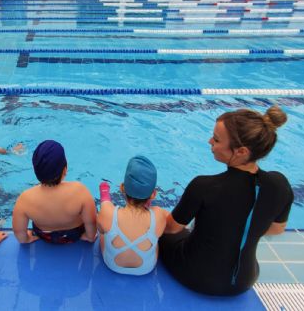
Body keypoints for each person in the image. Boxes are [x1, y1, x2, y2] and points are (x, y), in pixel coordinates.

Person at [160, 106, 293, 296]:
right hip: (244, 281)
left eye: (216, 139)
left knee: (162, 229)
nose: (209, 141)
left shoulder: (204, 186)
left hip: (194, 276)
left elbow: (171, 228)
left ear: (241, 151)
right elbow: (277, 229)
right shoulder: (280, 184)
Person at [12, 140, 97, 244]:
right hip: (74, 234)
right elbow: (91, 222)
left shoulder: (25, 198)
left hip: (44, 236)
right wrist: (90, 236)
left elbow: (19, 231)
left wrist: (26, 239)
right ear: (65, 169)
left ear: (35, 171)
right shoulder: (80, 191)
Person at [98, 156, 166, 276]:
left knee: (104, 227)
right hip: (146, 268)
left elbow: (100, 229)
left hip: (112, 264)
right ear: (153, 194)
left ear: (122, 188)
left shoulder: (109, 213)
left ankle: (105, 195)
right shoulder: (159, 215)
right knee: (156, 237)